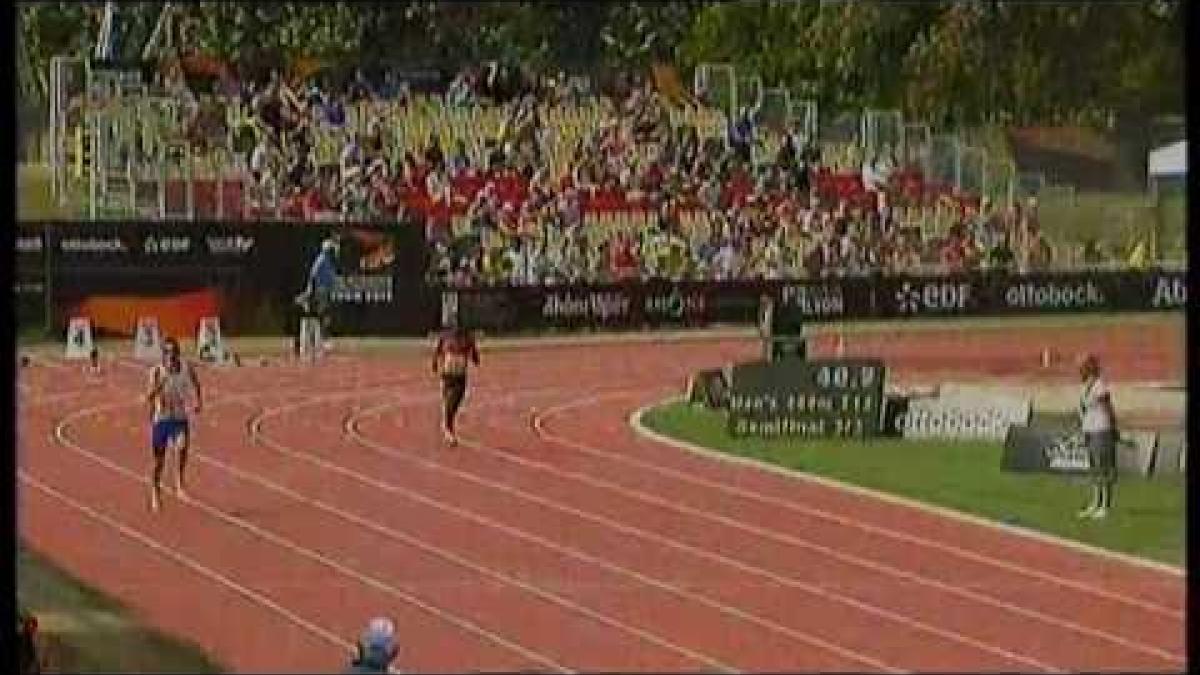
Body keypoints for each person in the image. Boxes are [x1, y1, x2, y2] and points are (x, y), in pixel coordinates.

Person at [144, 337, 202, 513]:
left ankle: (179, 483)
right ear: (163, 355)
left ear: (178, 353)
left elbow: (196, 383)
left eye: (174, 352)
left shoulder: (186, 368)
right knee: (158, 463)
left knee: (182, 446)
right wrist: (159, 386)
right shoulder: (156, 372)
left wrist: (198, 401)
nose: (171, 355)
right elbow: (148, 396)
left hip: (179, 417)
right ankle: (155, 490)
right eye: (167, 352)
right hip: (161, 419)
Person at [1077, 354, 1118, 519]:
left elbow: (1108, 408)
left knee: (1104, 468)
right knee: (1094, 468)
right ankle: (1095, 502)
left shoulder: (1100, 386)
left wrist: (1113, 428)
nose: (1079, 370)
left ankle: (1105, 505)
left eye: (1082, 366)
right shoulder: (1084, 386)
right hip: (1089, 429)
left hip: (1102, 429)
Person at [431, 319, 480, 446]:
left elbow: (474, 354)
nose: (456, 330)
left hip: (460, 375)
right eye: (454, 328)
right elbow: (437, 350)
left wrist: (474, 358)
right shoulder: (446, 337)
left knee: (456, 401)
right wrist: (435, 363)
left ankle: (448, 425)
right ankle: (448, 429)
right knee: (449, 401)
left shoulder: (468, 339)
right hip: (448, 374)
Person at [297, 238, 339, 353]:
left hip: (324, 290)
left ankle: (321, 340)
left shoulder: (328, 261)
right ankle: (320, 342)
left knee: (324, 315)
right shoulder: (322, 260)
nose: (334, 252)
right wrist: (310, 291)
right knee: (322, 315)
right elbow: (313, 276)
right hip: (320, 291)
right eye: (332, 249)